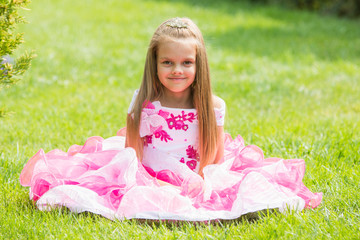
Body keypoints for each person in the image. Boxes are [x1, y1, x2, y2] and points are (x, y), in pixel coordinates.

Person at [20, 17, 322, 221]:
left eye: (186, 63)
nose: (177, 70)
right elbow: (131, 152)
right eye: (168, 62)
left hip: (196, 174)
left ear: (198, 64)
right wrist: (148, 182)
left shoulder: (213, 105)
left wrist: (200, 183)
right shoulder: (143, 101)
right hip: (148, 174)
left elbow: (214, 156)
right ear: (155, 63)